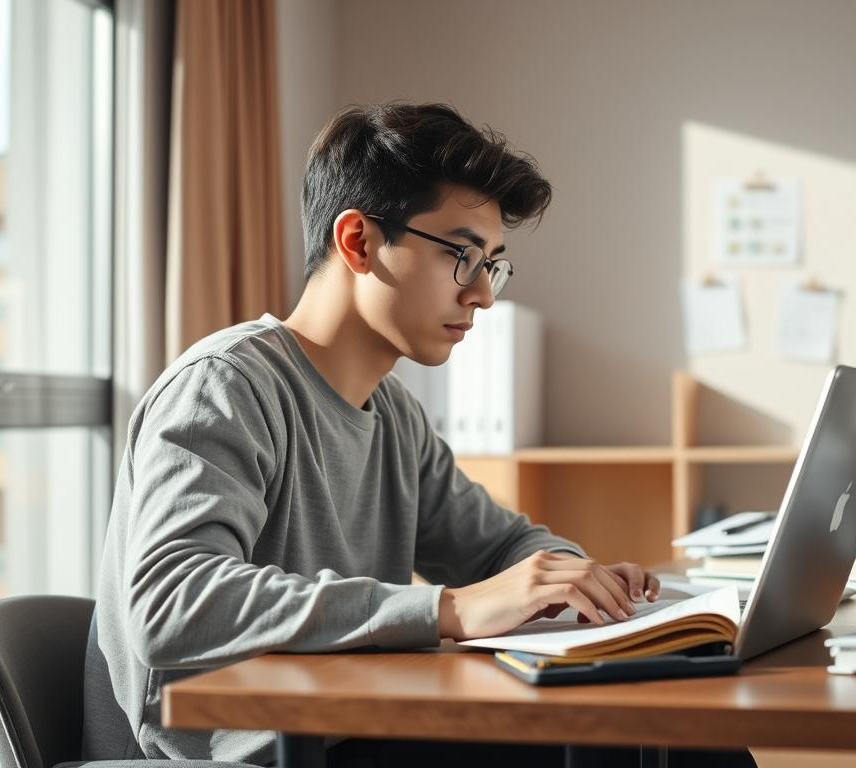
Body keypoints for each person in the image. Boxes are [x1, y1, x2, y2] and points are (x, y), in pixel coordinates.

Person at [83, 102, 754, 767]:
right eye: (462, 257)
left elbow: (500, 546)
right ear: (358, 243)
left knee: (692, 743)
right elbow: (172, 601)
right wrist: (447, 609)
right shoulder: (225, 388)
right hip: (236, 751)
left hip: (345, 731)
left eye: (493, 263)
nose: (484, 295)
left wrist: (581, 580)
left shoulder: (394, 414)